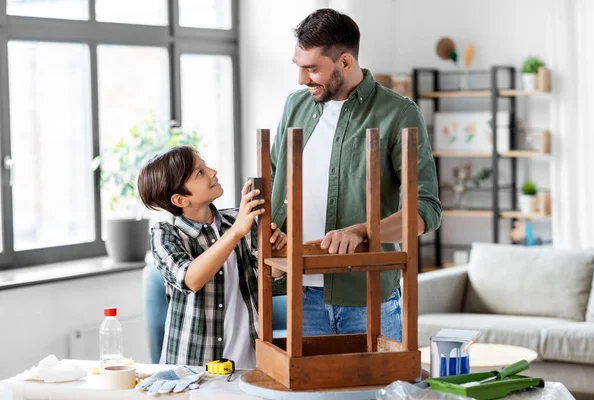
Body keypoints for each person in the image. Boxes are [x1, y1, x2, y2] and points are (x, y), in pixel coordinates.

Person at [270, 9, 442, 340]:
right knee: (311, 394)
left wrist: (363, 231)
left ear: (346, 63)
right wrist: (271, 230)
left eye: (312, 69)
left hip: (368, 297)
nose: (302, 80)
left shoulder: (398, 113)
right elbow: (275, 180)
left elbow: (426, 211)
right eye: (299, 67)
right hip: (300, 294)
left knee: (381, 393)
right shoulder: (295, 106)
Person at [138, 145, 286, 368]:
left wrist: (278, 252)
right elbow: (190, 279)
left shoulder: (237, 220)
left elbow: (272, 277)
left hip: (250, 363)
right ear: (180, 200)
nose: (213, 171)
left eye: (205, 165)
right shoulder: (165, 235)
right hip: (191, 371)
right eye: (200, 172)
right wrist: (237, 231)